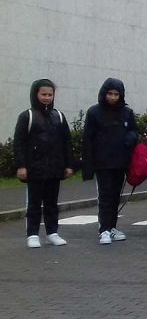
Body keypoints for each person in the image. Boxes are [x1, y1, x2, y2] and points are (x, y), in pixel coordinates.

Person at [15, 79, 73, 248]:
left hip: (55, 168)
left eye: (50, 94)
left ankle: (52, 232)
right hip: (34, 168)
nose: (47, 98)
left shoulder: (59, 116)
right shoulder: (27, 116)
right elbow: (19, 142)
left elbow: (66, 142)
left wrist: (69, 165)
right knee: (34, 203)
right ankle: (32, 234)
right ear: (36, 94)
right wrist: (21, 165)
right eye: (43, 94)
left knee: (52, 203)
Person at [82, 78, 138, 244]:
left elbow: (134, 130)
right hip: (102, 162)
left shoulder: (126, 112)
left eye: (116, 94)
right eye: (110, 94)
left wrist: (131, 137)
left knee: (115, 196)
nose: (113, 97)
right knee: (105, 196)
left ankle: (112, 227)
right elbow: (87, 140)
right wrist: (88, 166)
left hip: (120, 161)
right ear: (104, 94)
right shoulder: (94, 112)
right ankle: (104, 229)